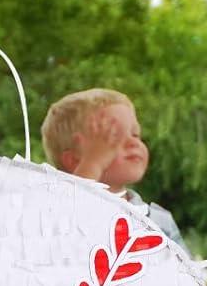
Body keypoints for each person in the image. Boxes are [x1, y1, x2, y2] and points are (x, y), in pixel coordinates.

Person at [40, 87, 181, 244]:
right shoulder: (60, 214)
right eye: (114, 136)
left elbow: (187, 268)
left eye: (135, 134)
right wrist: (91, 165)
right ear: (74, 160)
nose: (132, 142)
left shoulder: (159, 221)